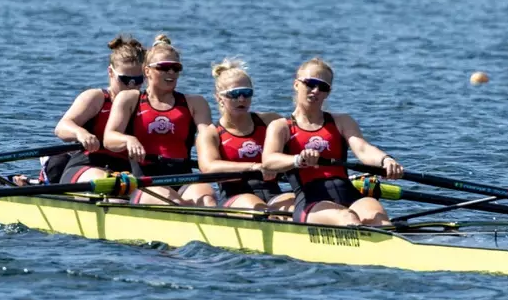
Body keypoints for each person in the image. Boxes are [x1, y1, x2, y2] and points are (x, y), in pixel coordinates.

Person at [262, 57, 402, 226]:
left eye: (323, 87)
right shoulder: (281, 127)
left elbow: (363, 149)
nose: (315, 90)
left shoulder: (342, 121)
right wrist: (298, 159)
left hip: (349, 194)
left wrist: (385, 160)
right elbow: (268, 161)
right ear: (296, 84)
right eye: (310, 84)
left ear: (328, 92)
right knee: (347, 218)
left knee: (378, 216)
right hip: (311, 202)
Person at [103, 34, 217, 206]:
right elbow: (109, 138)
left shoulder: (195, 103)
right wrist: (128, 140)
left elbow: (209, 138)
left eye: (176, 68)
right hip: (144, 182)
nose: (171, 72)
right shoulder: (129, 99)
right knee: (173, 202)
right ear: (147, 71)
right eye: (163, 67)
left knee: (208, 199)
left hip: (183, 178)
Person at [41, 34, 147, 185]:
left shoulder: (147, 104)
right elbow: (61, 127)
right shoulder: (97, 98)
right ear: (110, 72)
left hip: (128, 170)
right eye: (125, 80)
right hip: (88, 164)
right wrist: (81, 133)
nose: (132, 86)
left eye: (138, 80)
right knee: (113, 184)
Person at [195, 58, 291, 212]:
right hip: (235, 197)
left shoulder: (270, 122)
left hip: (273, 193)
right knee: (259, 209)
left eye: (247, 93)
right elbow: (209, 167)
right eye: (234, 94)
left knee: (294, 207)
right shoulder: (210, 133)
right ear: (219, 98)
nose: (241, 99)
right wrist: (254, 167)